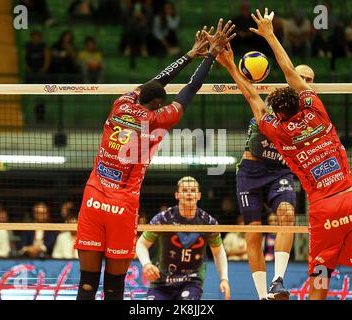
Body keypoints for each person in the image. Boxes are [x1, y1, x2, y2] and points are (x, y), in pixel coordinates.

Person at [215, 8, 352, 300]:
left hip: (323, 210)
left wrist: (229, 64)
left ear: (278, 113)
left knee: (320, 279)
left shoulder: (279, 133)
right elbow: (291, 72)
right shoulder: (317, 110)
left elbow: (252, 97)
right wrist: (270, 34)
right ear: (302, 98)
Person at [74, 20, 236, 300]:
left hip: (93, 201)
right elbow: (191, 88)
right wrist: (209, 55)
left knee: (87, 285)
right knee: (114, 288)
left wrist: (189, 54)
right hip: (122, 207)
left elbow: (157, 81)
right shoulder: (157, 120)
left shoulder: (121, 104)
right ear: (159, 105)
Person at [234, 57, 314, 299]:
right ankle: (261, 296)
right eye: (302, 77)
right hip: (251, 171)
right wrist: (228, 63)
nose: (306, 83)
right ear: (290, 77)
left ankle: (277, 282)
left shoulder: (311, 112)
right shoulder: (272, 99)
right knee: (254, 233)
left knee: (287, 216)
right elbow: (248, 93)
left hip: (280, 171)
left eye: (310, 80)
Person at [136, 177, 230, 300]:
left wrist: (224, 278)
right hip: (161, 282)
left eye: (193, 190)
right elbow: (141, 244)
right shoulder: (163, 219)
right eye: (185, 190)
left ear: (199, 196)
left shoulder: (208, 222)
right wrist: (146, 264)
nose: (189, 193)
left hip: (191, 282)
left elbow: (218, 252)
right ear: (177, 195)